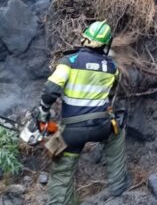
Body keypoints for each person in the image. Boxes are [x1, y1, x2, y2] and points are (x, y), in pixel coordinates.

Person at [37, 21, 129, 205]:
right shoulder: (112, 67)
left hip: (71, 133)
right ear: (105, 43)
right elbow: (112, 93)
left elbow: (50, 91)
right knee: (117, 137)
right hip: (102, 127)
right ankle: (120, 190)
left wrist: (42, 113)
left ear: (85, 39)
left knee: (61, 170)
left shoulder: (69, 62)